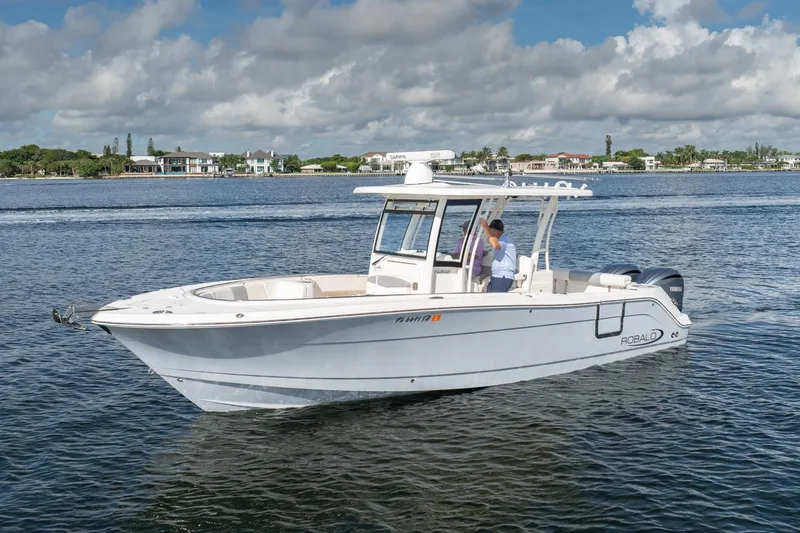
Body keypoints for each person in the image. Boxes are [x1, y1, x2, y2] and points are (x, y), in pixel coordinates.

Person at [480, 218, 516, 292]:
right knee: (489, 299)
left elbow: (494, 245)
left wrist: (486, 228)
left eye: (491, 230)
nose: (490, 233)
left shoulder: (505, 240)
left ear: (494, 230)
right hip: (496, 275)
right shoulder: (500, 239)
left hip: (503, 276)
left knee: (496, 300)